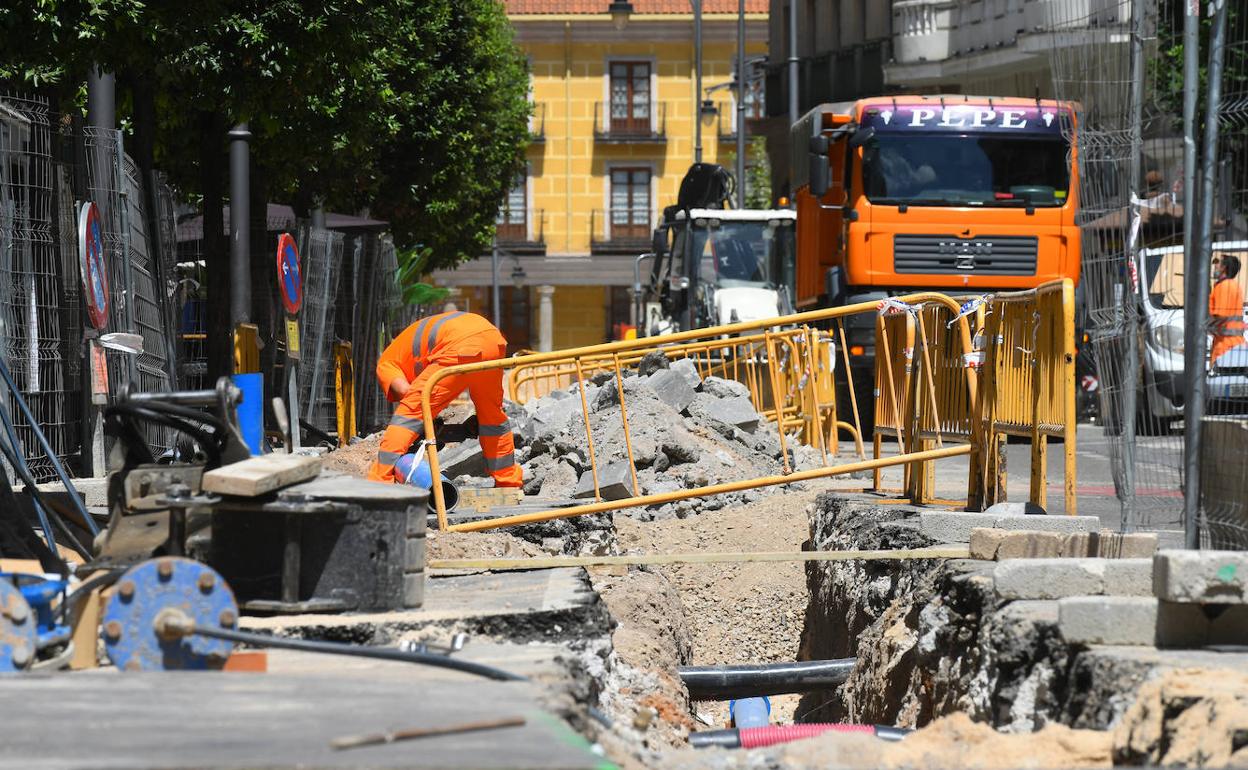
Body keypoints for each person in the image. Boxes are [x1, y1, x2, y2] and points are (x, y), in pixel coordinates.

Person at [369, 310, 523, 487]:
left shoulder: (386, 362)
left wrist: (422, 424)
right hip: (493, 340)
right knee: (491, 416)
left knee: (409, 413)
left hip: (462, 346)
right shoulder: (410, 345)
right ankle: (508, 481)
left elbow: (408, 394)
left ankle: (379, 481)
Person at [1209, 253, 1246, 366]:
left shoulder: (1225, 286)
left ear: (1223, 267)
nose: (1214, 266)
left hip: (1225, 347)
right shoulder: (1230, 285)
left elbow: (1220, 315)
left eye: (1217, 263)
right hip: (1230, 344)